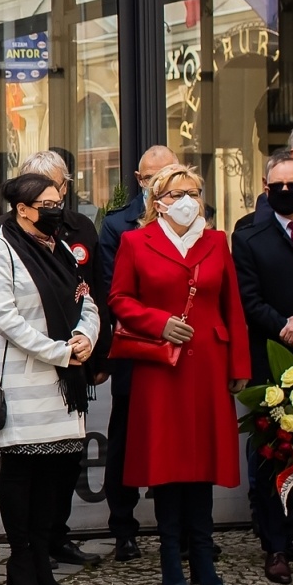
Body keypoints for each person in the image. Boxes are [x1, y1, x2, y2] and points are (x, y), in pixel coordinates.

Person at [110, 164, 250, 585]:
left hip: (208, 364)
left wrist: (239, 367)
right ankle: (171, 556)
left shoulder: (216, 241)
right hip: (162, 369)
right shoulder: (136, 241)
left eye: (192, 192)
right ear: (157, 201)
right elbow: (118, 298)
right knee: (167, 464)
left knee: (204, 464)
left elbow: (233, 306)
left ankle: (204, 556)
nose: (185, 200)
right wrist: (158, 322)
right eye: (174, 194)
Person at [0, 150, 106, 569]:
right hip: (23, 379)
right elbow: (5, 318)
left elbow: (85, 296)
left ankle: (47, 546)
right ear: (23, 208)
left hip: (64, 383)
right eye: (46, 206)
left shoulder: (64, 245)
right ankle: (24, 559)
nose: (55, 211)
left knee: (58, 472)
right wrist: (61, 352)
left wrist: (87, 337)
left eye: (58, 203)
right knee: (23, 473)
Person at [97, 145, 178, 562]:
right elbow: (114, 291)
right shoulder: (118, 225)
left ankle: (179, 529)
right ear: (139, 180)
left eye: (167, 177)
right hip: (136, 348)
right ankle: (124, 528)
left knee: (177, 440)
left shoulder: (194, 220)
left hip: (182, 350)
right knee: (126, 440)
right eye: (149, 179)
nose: (159, 187)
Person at [231, 149, 293, 584]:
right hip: (271, 358)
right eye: (279, 185)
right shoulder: (249, 235)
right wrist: (287, 327)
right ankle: (276, 545)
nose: (287, 191)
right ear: (265, 187)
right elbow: (248, 298)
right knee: (272, 453)